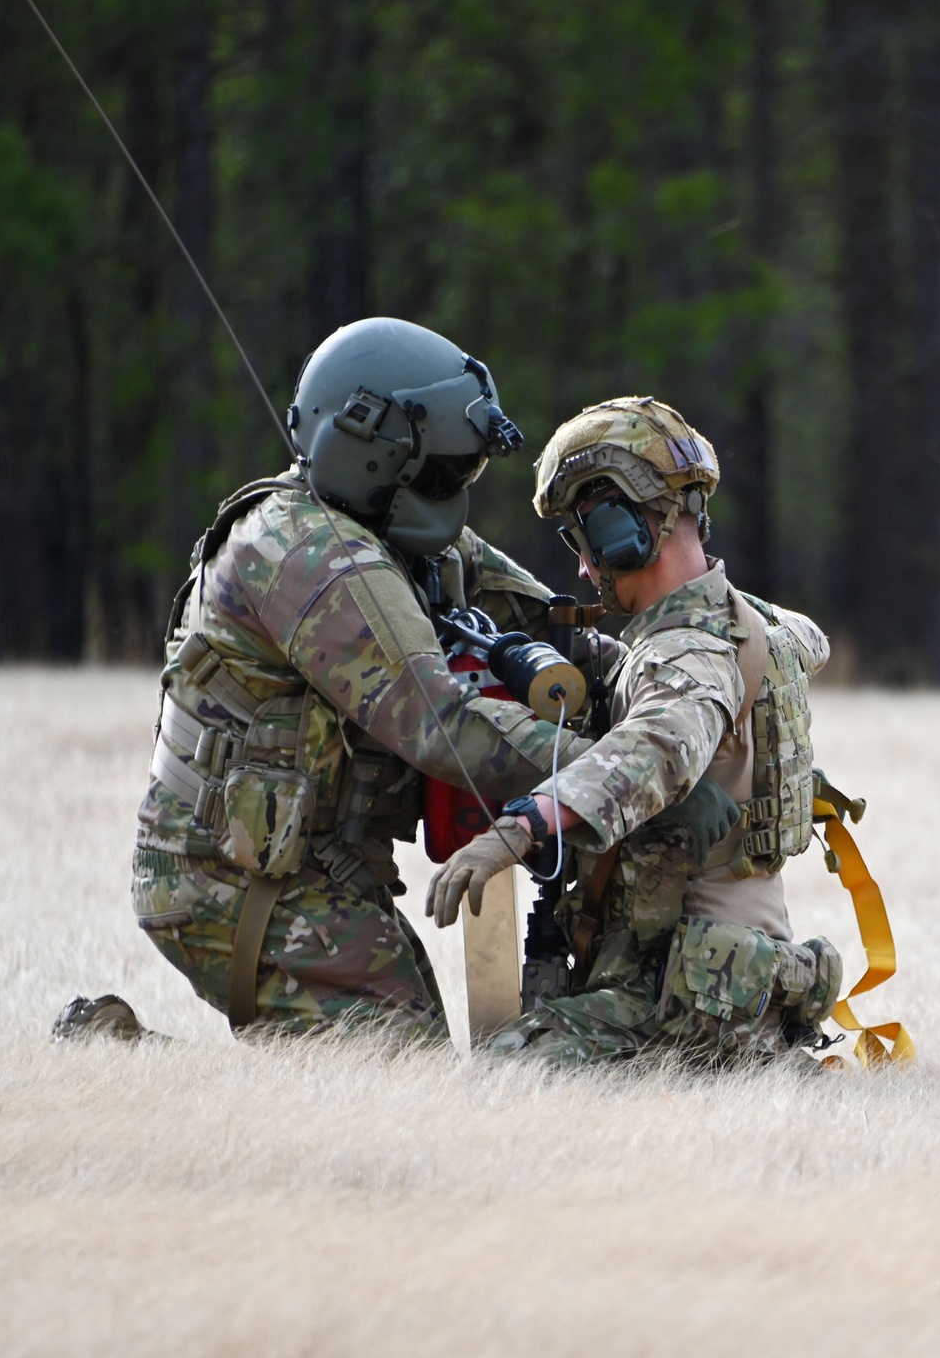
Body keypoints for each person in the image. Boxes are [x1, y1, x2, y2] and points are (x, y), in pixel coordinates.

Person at [127, 317, 609, 1040]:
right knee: (395, 1073)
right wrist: (629, 779)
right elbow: (444, 725)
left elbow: (550, 621)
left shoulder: (405, 537)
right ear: (373, 455)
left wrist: (692, 678)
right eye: (445, 471)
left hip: (314, 867)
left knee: (390, 1064)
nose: (456, 491)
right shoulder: (305, 554)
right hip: (227, 880)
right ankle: (119, 1056)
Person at [428, 397, 843, 1067]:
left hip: (686, 1000)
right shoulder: (762, 626)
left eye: (584, 538)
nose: (587, 567)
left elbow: (661, 742)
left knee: (507, 1068)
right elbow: (785, 649)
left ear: (624, 529)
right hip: (725, 981)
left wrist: (522, 827)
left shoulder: (686, 654)